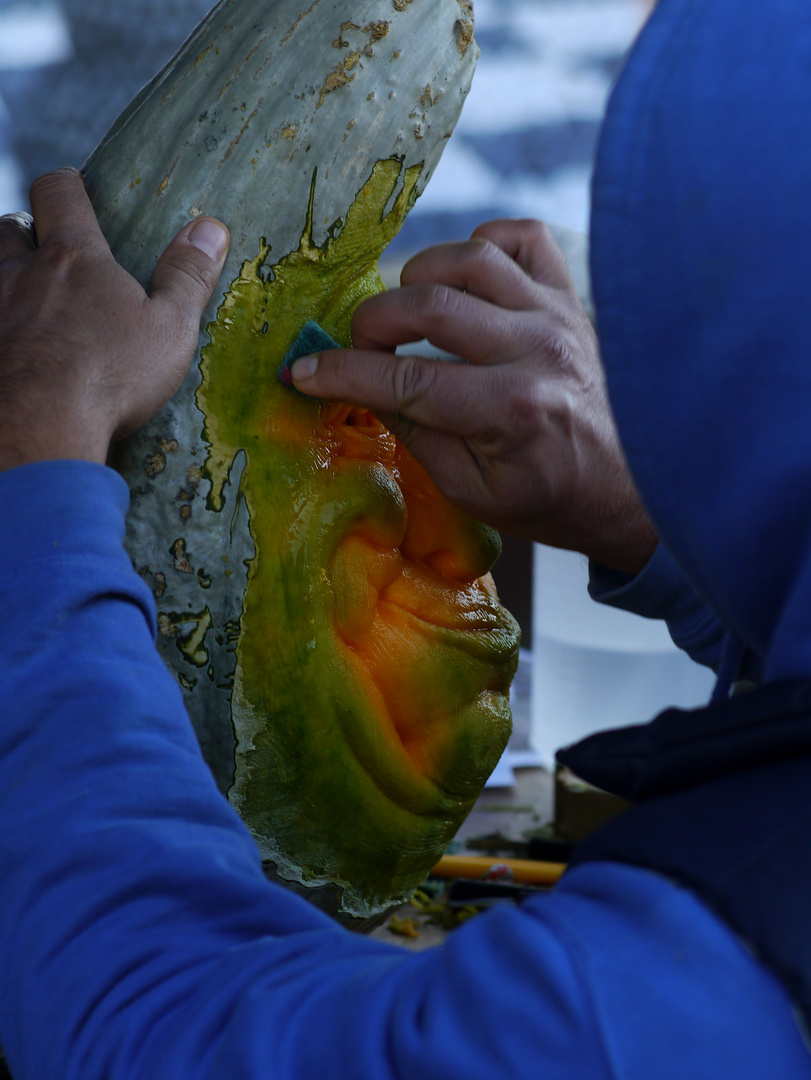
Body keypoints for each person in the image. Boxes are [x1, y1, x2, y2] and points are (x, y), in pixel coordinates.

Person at [1, 2, 810, 1079]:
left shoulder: (647, 1009)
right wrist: (687, 532)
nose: (469, 551)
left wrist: (40, 471)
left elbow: (162, 1029)